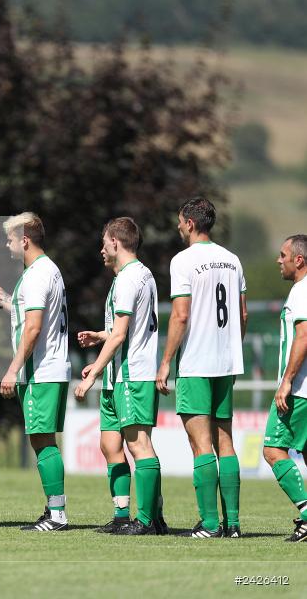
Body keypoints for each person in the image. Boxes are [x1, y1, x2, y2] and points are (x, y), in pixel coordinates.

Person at [0, 212, 71, 531]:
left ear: (24, 241)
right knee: (42, 439)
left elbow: (32, 328)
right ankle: (53, 509)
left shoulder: (38, 274)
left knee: (43, 440)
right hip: (47, 369)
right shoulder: (42, 271)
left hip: (42, 370)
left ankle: (57, 514)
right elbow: (17, 308)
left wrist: (12, 369)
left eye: (10, 239)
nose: (7, 244)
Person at [157, 197, 247, 539]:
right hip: (226, 362)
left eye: (181, 221)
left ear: (191, 223)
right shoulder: (232, 260)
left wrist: (166, 361)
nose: (178, 226)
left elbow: (181, 315)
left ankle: (209, 524)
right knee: (226, 442)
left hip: (196, 362)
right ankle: (233, 524)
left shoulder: (183, 261)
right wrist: (231, 350)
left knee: (200, 445)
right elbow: (242, 315)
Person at [74, 217, 166, 535]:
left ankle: (149, 519)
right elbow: (121, 330)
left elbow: (121, 335)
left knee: (140, 446)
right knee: (109, 444)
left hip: (132, 375)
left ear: (115, 242)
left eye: (104, 243)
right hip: (118, 376)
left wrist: (92, 374)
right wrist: (100, 337)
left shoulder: (129, 278)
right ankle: (122, 515)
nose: (101, 250)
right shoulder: (136, 275)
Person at [263, 235, 307, 542]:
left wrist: (287, 380)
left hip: (300, 389)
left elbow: (303, 336)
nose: (279, 260)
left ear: (299, 260)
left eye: (283, 255)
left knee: (273, 449)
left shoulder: (302, 291)